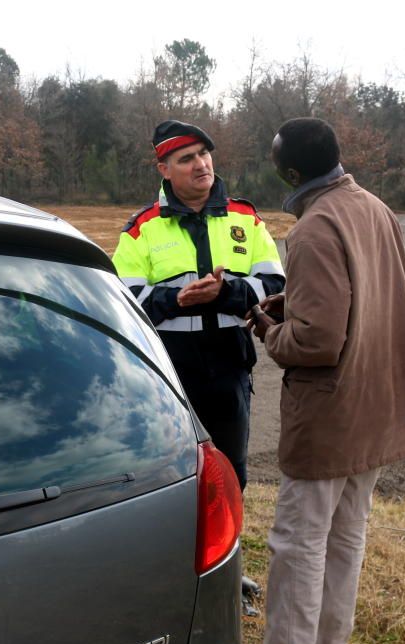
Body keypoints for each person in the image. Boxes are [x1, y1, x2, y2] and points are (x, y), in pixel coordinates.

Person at [245, 117, 405, 644]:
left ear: (291, 172)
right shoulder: (376, 208)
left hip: (331, 416)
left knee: (299, 542)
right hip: (377, 406)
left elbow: (318, 342)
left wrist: (268, 328)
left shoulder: (312, 228)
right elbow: (386, 297)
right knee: (346, 538)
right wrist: (296, 305)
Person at [112, 120, 285, 610]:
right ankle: (170, 574)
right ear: (164, 169)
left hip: (229, 365)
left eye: (204, 154)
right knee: (168, 475)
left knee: (231, 476)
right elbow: (125, 300)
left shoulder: (246, 219)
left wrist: (228, 292)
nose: (201, 164)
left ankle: (229, 576)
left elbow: (275, 285)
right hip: (169, 373)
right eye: (186, 158)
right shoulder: (141, 228)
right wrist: (176, 298)